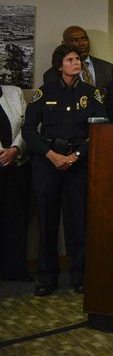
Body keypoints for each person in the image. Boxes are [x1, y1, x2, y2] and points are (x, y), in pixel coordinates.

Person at [23, 44, 106, 296]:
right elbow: (29, 131)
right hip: (47, 163)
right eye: (70, 59)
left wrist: (76, 156)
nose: (76, 63)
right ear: (59, 65)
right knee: (47, 222)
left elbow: (100, 129)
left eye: (78, 59)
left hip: (78, 164)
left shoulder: (92, 94)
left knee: (77, 221)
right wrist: (51, 155)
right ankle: (47, 277)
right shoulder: (43, 92)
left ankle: (79, 275)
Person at [0, 84, 31, 281]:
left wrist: (15, 149)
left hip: (16, 167)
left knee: (15, 220)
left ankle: (13, 269)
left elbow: (27, 126)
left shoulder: (15, 92)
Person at [42, 26, 113, 93]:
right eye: (75, 40)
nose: (82, 43)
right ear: (64, 43)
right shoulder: (52, 74)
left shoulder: (108, 69)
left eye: (84, 39)